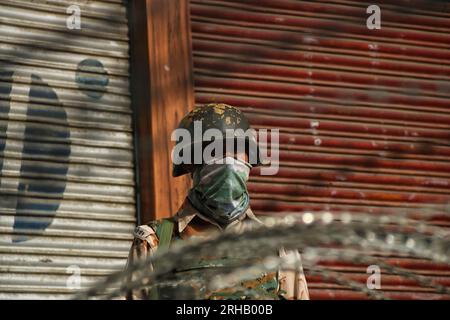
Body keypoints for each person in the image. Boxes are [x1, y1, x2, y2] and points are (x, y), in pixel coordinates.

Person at [124, 103, 309, 300]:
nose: (228, 159)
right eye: (214, 150)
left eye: (236, 149)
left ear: (249, 157)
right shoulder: (154, 243)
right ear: (189, 162)